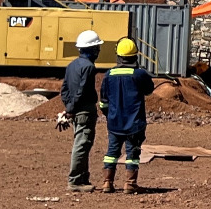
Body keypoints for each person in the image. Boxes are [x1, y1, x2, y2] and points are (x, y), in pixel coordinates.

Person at [98, 37, 154, 194]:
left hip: (115, 122)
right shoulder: (139, 74)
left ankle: (107, 183)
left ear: (118, 56)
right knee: (133, 153)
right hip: (134, 123)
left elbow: (103, 101)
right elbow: (149, 90)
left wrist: (110, 115)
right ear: (135, 56)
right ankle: (130, 184)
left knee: (111, 153)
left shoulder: (109, 74)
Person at [56, 29, 103, 192]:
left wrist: (68, 108)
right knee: (82, 144)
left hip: (76, 111)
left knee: (82, 143)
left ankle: (83, 178)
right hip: (84, 111)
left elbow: (65, 89)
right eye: (97, 48)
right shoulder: (89, 67)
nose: (98, 51)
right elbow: (82, 91)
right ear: (91, 49)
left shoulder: (71, 65)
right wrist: (71, 109)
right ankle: (75, 180)